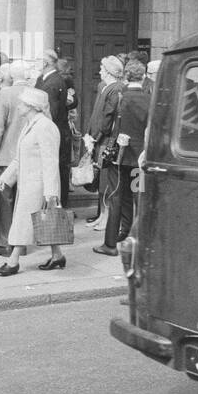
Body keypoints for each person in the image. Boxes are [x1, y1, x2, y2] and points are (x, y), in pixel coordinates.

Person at [0, 88, 65, 275]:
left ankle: (13, 261)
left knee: (23, 222)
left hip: (38, 185)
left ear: (32, 106)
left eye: (22, 104)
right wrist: (6, 177)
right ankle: (57, 255)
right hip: (29, 183)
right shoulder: (30, 125)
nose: (18, 107)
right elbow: (20, 158)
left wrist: (51, 192)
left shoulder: (45, 127)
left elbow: (51, 161)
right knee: (45, 223)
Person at [93, 59, 151, 257]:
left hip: (119, 155)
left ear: (126, 76)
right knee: (137, 197)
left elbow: (105, 125)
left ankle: (110, 244)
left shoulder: (120, 97)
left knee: (116, 196)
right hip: (139, 156)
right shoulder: (150, 99)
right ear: (143, 77)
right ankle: (136, 238)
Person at [0, 62, 33, 257]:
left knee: (6, 202)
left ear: (10, 76)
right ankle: (22, 243)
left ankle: (5, 242)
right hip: (30, 157)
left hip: (7, 157)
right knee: (25, 201)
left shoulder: (4, 95)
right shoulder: (38, 95)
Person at [82, 55, 126, 233]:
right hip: (98, 139)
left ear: (109, 72)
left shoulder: (115, 89)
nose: (99, 71)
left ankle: (106, 218)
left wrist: (95, 137)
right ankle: (101, 215)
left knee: (106, 183)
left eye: (102, 68)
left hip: (105, 141)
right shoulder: (107, 87)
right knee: (101, 181)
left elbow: (108, 118)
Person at [34, 49, 77, 207]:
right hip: (58, 131)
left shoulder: (53, 82)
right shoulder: (46, 79)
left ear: (45, 63)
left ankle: (60, 207)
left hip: (55, 132)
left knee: (58, 169)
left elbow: (49, 113)